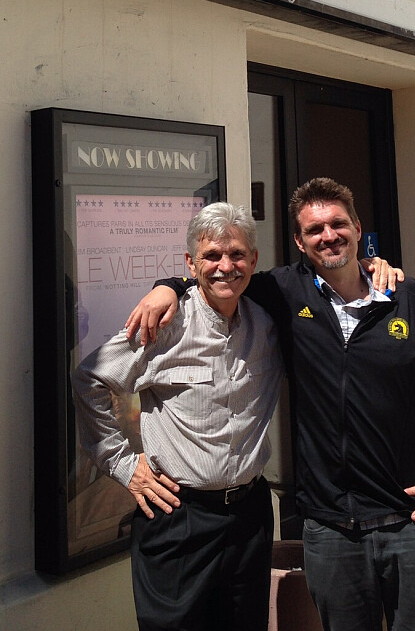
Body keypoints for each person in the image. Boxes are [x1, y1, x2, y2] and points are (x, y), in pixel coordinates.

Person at [130, 178, 415, 631]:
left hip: (413, 522)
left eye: (338, 224)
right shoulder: (283, 292)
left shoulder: (404, 297)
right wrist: (169, 286)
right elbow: (220, 275)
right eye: (314, 229)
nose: (329, 235)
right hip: (330, 530)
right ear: (300, 243)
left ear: (357, 229)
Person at [72, 202, 283, 631]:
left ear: (253, 259)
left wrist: (372, 266)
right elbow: (89, 378)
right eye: (212, 256)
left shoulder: (268, 322)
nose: (226, 266)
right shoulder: (165, 325)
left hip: (250, 519)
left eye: (237, 254)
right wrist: (121, 464)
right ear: (190, 263)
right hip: (179, 519)